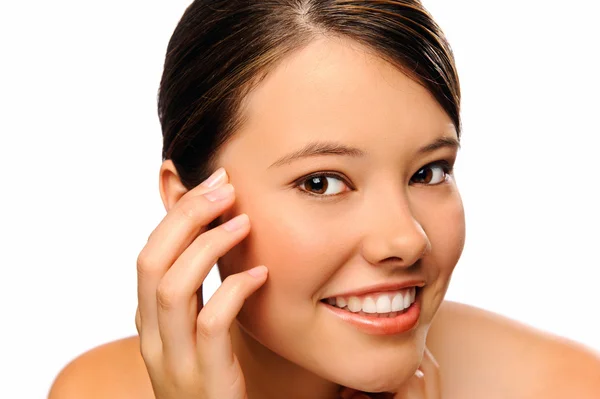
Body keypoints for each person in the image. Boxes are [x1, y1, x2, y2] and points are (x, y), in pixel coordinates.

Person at [48, 1, 600, 398]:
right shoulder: (92, 390)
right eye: (321, 182)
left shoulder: (568, 387)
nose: (407, 239)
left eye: (429, 171)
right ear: (191, 203)